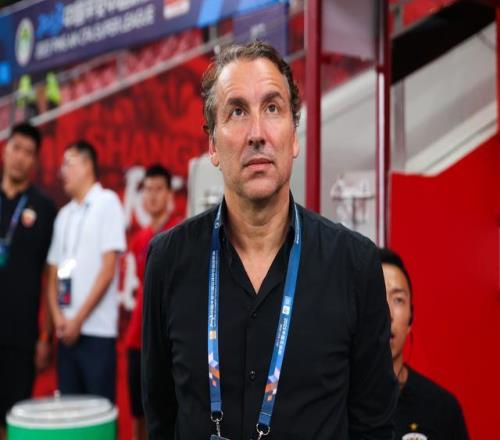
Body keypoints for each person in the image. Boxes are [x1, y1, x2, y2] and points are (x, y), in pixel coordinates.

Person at [142, 41, 397, 440]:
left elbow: (373, 427)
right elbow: (161, 416)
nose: (257, 134)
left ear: (293, 137)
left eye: (273, 108)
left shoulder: (354, 264)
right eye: (237, 111)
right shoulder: (168, 260)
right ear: (212, 145)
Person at [47, 140, 126, 403]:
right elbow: (53, 271)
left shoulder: (107, 202)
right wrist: (58, 317)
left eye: (68, 164)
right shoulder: (63, 215)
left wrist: (78, 319)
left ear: (87, 165)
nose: (63, 172)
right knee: (69, 413)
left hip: (96, 332)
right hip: (65, 333)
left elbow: (108, 269)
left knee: (98, 412)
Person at [0, 123, 56, 440]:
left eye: (28, 152)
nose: (20, 157)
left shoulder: (44, 208)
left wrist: (45, 335)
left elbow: (50, 277)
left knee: (14, 419)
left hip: (21, 337)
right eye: (16, 148)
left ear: (35, 161)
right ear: (5, 150)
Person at [379, 247, 469, 440]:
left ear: (411, 319)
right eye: (377, 296)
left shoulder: (441, 409)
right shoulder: (335, 402)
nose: (388, 314)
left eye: (398, 300)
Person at [126, 165, 183, 440]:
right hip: (136, 337)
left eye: (158, 189)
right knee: (138, 412)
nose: (152, 195)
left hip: (166, 339)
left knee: (165, 411)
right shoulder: (139, 239)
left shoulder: (179, 234)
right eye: (147, 190)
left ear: (169, 194)